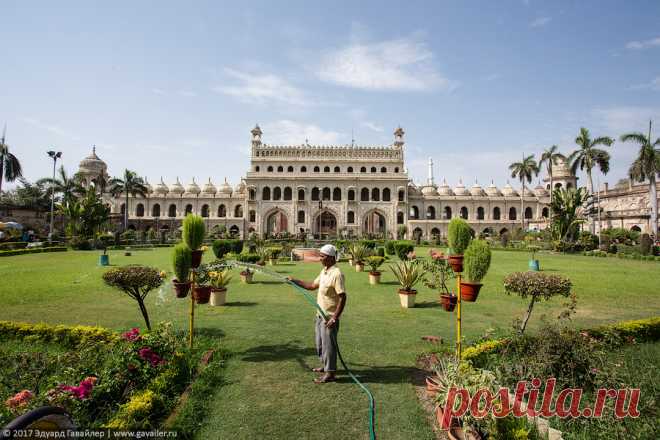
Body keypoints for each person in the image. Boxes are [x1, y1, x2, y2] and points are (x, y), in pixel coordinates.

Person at [288, 244, 347, 384]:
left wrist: (335, 317)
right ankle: (325, 366)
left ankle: (330, 373)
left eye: (322, 256)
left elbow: (343, 297)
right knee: (320, 344)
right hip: (320, 315)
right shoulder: (324, 271)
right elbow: (311, 286)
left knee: (329, 346)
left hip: (329, 317)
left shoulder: (336, 274)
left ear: (331, 258)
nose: (320, 258)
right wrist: (294, 281)